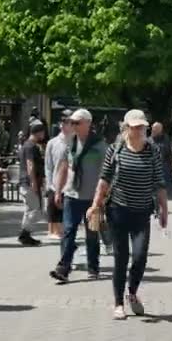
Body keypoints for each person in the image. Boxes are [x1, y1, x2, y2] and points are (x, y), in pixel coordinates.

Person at [86, 109, 168, 320]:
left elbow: (159, 182)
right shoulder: (116, 149)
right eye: (135, 126)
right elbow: (104, 180)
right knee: (121, 259)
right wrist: (95, 204)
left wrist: (164, 209)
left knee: (140, 257)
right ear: (127, 128)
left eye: (142, 126)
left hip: (142, 212)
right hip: (118, 211)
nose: (140, 130)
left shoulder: (153, 151)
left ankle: (132, 292)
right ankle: (118, 303)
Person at [49, 109, 107, 282]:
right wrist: (58, 191)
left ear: (88, 123)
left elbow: (107, 171)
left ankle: (93, 267)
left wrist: (103, 196)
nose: (72, 125)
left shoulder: (99, 145)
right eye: (71, 122)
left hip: (93, 198)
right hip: (71, 195)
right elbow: (63, 168)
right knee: (68, 231)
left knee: (92, 234)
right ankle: (63, 268)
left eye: (76, 122)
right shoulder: (70, 143)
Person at [44, 109, 72, 239]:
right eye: (63, 122)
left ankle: (67, 231)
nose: (64, 124)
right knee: (54, 208)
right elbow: (48, 165)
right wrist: (49, 184)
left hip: (72, 184)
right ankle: (55, 231)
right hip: (56, 183)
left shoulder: (76, 141)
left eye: (68, 122)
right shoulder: (52, 143)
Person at [16, 121, 45, 246]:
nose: (44, 134)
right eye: (43, 132)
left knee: (29, 209)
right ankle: (25, 233)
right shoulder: (31, 146)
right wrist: (33, 181)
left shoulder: (25, 145)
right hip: (29, 182)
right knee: (36, 210)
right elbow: (30, 164)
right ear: (38, 132)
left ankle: (26, 234)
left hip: (25, 181)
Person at [151, 122, 172, 187]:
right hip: (152, 166)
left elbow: (169, 152)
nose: (153, 130)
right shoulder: (149, 140)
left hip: (164, 166)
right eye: (152, 128)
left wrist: (171, 163)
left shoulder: (166, 139)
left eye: (155, 129)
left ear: (160, 130)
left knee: (163, 186)